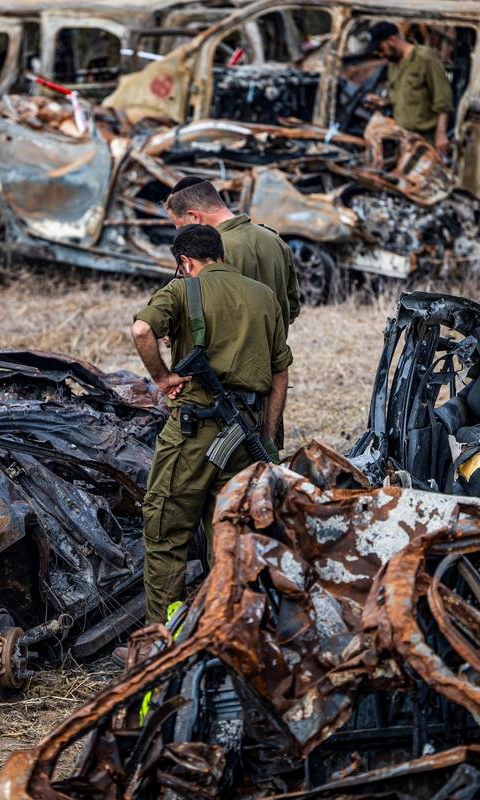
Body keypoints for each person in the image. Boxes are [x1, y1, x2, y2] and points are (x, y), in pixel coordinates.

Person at [131, 224, 291, 624]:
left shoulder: (183, 290)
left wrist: (162, 378)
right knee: (229, 535)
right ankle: (224, 627)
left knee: (167, 533)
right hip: (244, 436)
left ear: (185, 261)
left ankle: (162, 639)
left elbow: (142, 329)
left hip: (191, 433)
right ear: (220, 253)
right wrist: (267, 436)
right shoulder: (264, 296)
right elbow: (280, 374)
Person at [163, 177, 300, 332]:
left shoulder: (205, 253)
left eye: (180, 227)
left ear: (194, 216)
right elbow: (292, 310)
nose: (180, 234)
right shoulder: (275, 240)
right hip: (274, 353)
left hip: (226, 354)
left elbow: (198, 317)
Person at [363, 21, 454, 158]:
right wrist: (383, 101)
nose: (381, 54)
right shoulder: (393, 63)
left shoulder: (425, 58)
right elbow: (400, 95)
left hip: (424, 139)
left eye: (381, 49)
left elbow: (443, 100)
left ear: (392, 40)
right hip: (401, 137)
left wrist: (440, 136)